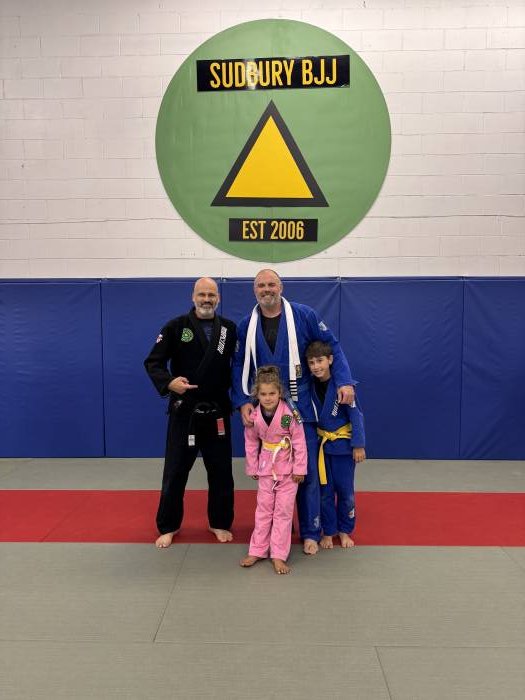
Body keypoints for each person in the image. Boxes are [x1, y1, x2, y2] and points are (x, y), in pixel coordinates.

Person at [232, 269, 356, 555]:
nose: (267, 289)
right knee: (274, 474)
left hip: (301, 407)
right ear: (254, 290)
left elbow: (332, 346)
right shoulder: (246, 325)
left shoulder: (304, 315)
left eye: (271, 284)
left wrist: (345, 380)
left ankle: (311, 530)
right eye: (261, 285)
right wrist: (242, 400)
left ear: (281, 287)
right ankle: (280, 527)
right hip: (266, 409)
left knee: (306, 472)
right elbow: (238, 364)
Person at [144, 277, 237, 547]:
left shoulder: (228, 329)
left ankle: (219, 522)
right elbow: (153, 362)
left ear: (218, 298)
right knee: (175, 471)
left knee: (221, 472)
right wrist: (169, 383)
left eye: (211, 295)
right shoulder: (176, 327)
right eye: (202, 294)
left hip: (217, 411)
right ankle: (168, 525)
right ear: (193, 297)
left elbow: (238, 365)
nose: (207, 299)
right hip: (185, 412)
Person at [240, 366, 307, 574]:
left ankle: (278, 555)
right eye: (263, 394)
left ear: (280, 393)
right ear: (256, 395)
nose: (268, 398)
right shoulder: (254, 416)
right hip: (265, 468)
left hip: (288, 469)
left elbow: (299, 441)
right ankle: (257, 550)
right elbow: (251, 442)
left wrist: (300, 469)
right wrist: (252, 466)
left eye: (272, 393)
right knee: (263, 511)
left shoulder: (289, 414)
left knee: (283, 512)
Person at [306, 341, 366, 549]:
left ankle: (345, 530)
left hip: (343, 448)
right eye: (311, 362)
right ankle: (329, 532)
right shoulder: (309, 386)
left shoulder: (344, 387)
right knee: (325, 492)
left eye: (320, 361)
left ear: (330, 360)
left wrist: (358, 445)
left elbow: (356, 416)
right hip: (322, 447)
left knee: (345, 492)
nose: (316, 366)